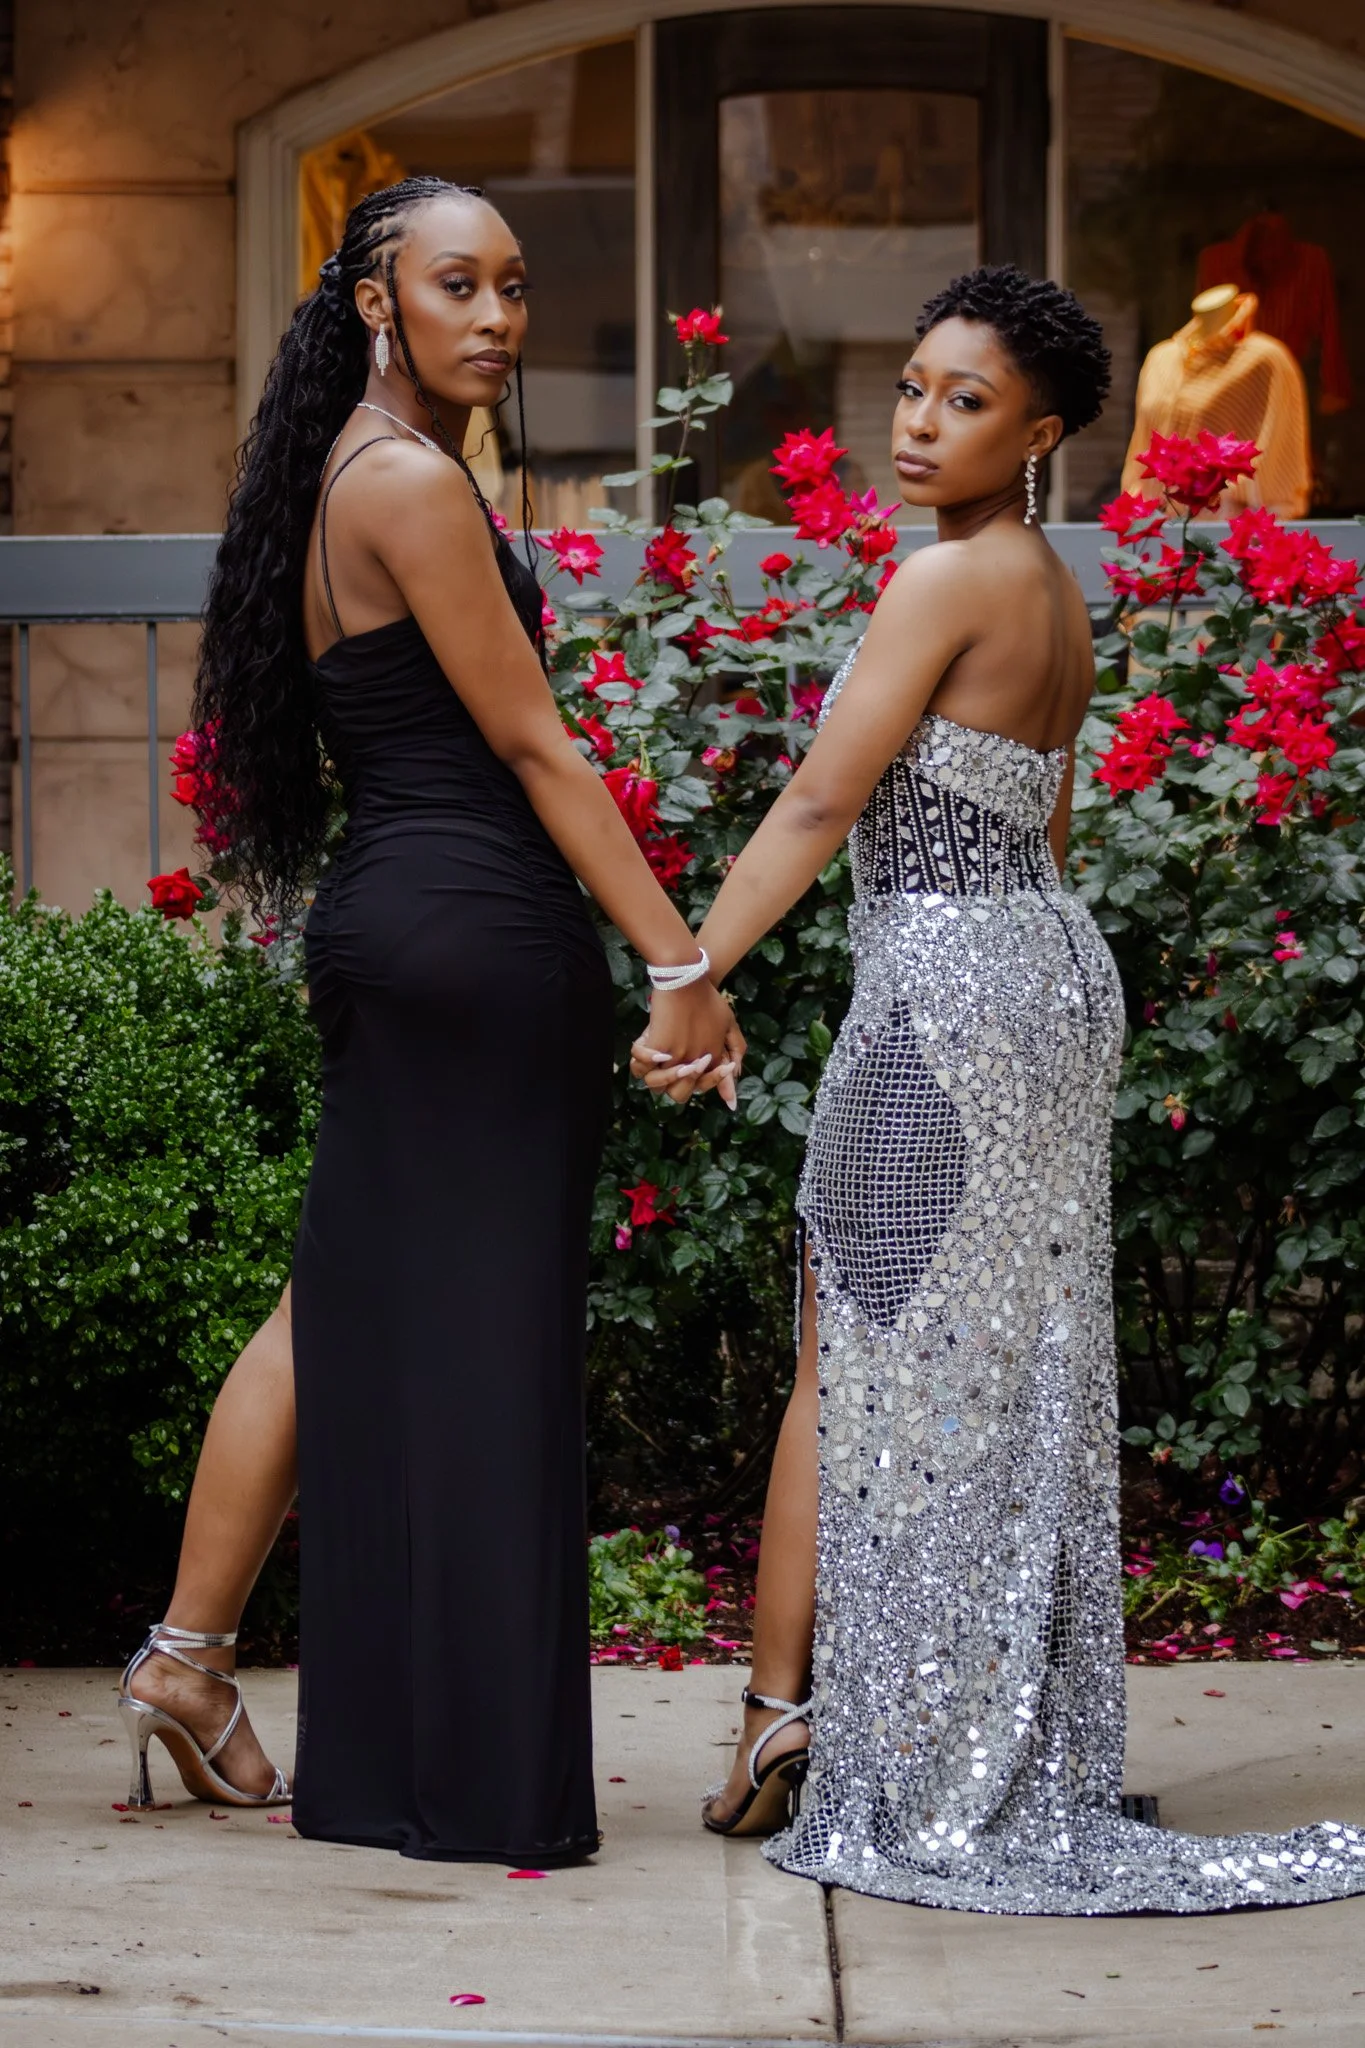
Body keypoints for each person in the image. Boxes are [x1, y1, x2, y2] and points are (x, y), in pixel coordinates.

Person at [636, 266, 1365, 1913]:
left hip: (954, 995)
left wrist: (694, 972)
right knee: (994, 1368)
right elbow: (1037, 833)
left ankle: (804, 1726)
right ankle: (947, 1731)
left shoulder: (948, 579)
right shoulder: (1049, 587)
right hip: (1042, 977)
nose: (918, 420)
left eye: (965, 402)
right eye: (911, 386)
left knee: (857, 1346)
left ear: (1040, 435)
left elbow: (825, 806)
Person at [116, 176, 742, 1865]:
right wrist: (683, 965)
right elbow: (539, 749)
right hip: (477, 944)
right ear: (378, 302)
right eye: (457, 284)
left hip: (394, 928)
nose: (498, 317)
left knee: (347, 1313)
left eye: (517, 288)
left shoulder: (343, 473)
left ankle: (207, 1668)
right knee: (484, 1359)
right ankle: (468, 1777)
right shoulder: (413, 487)